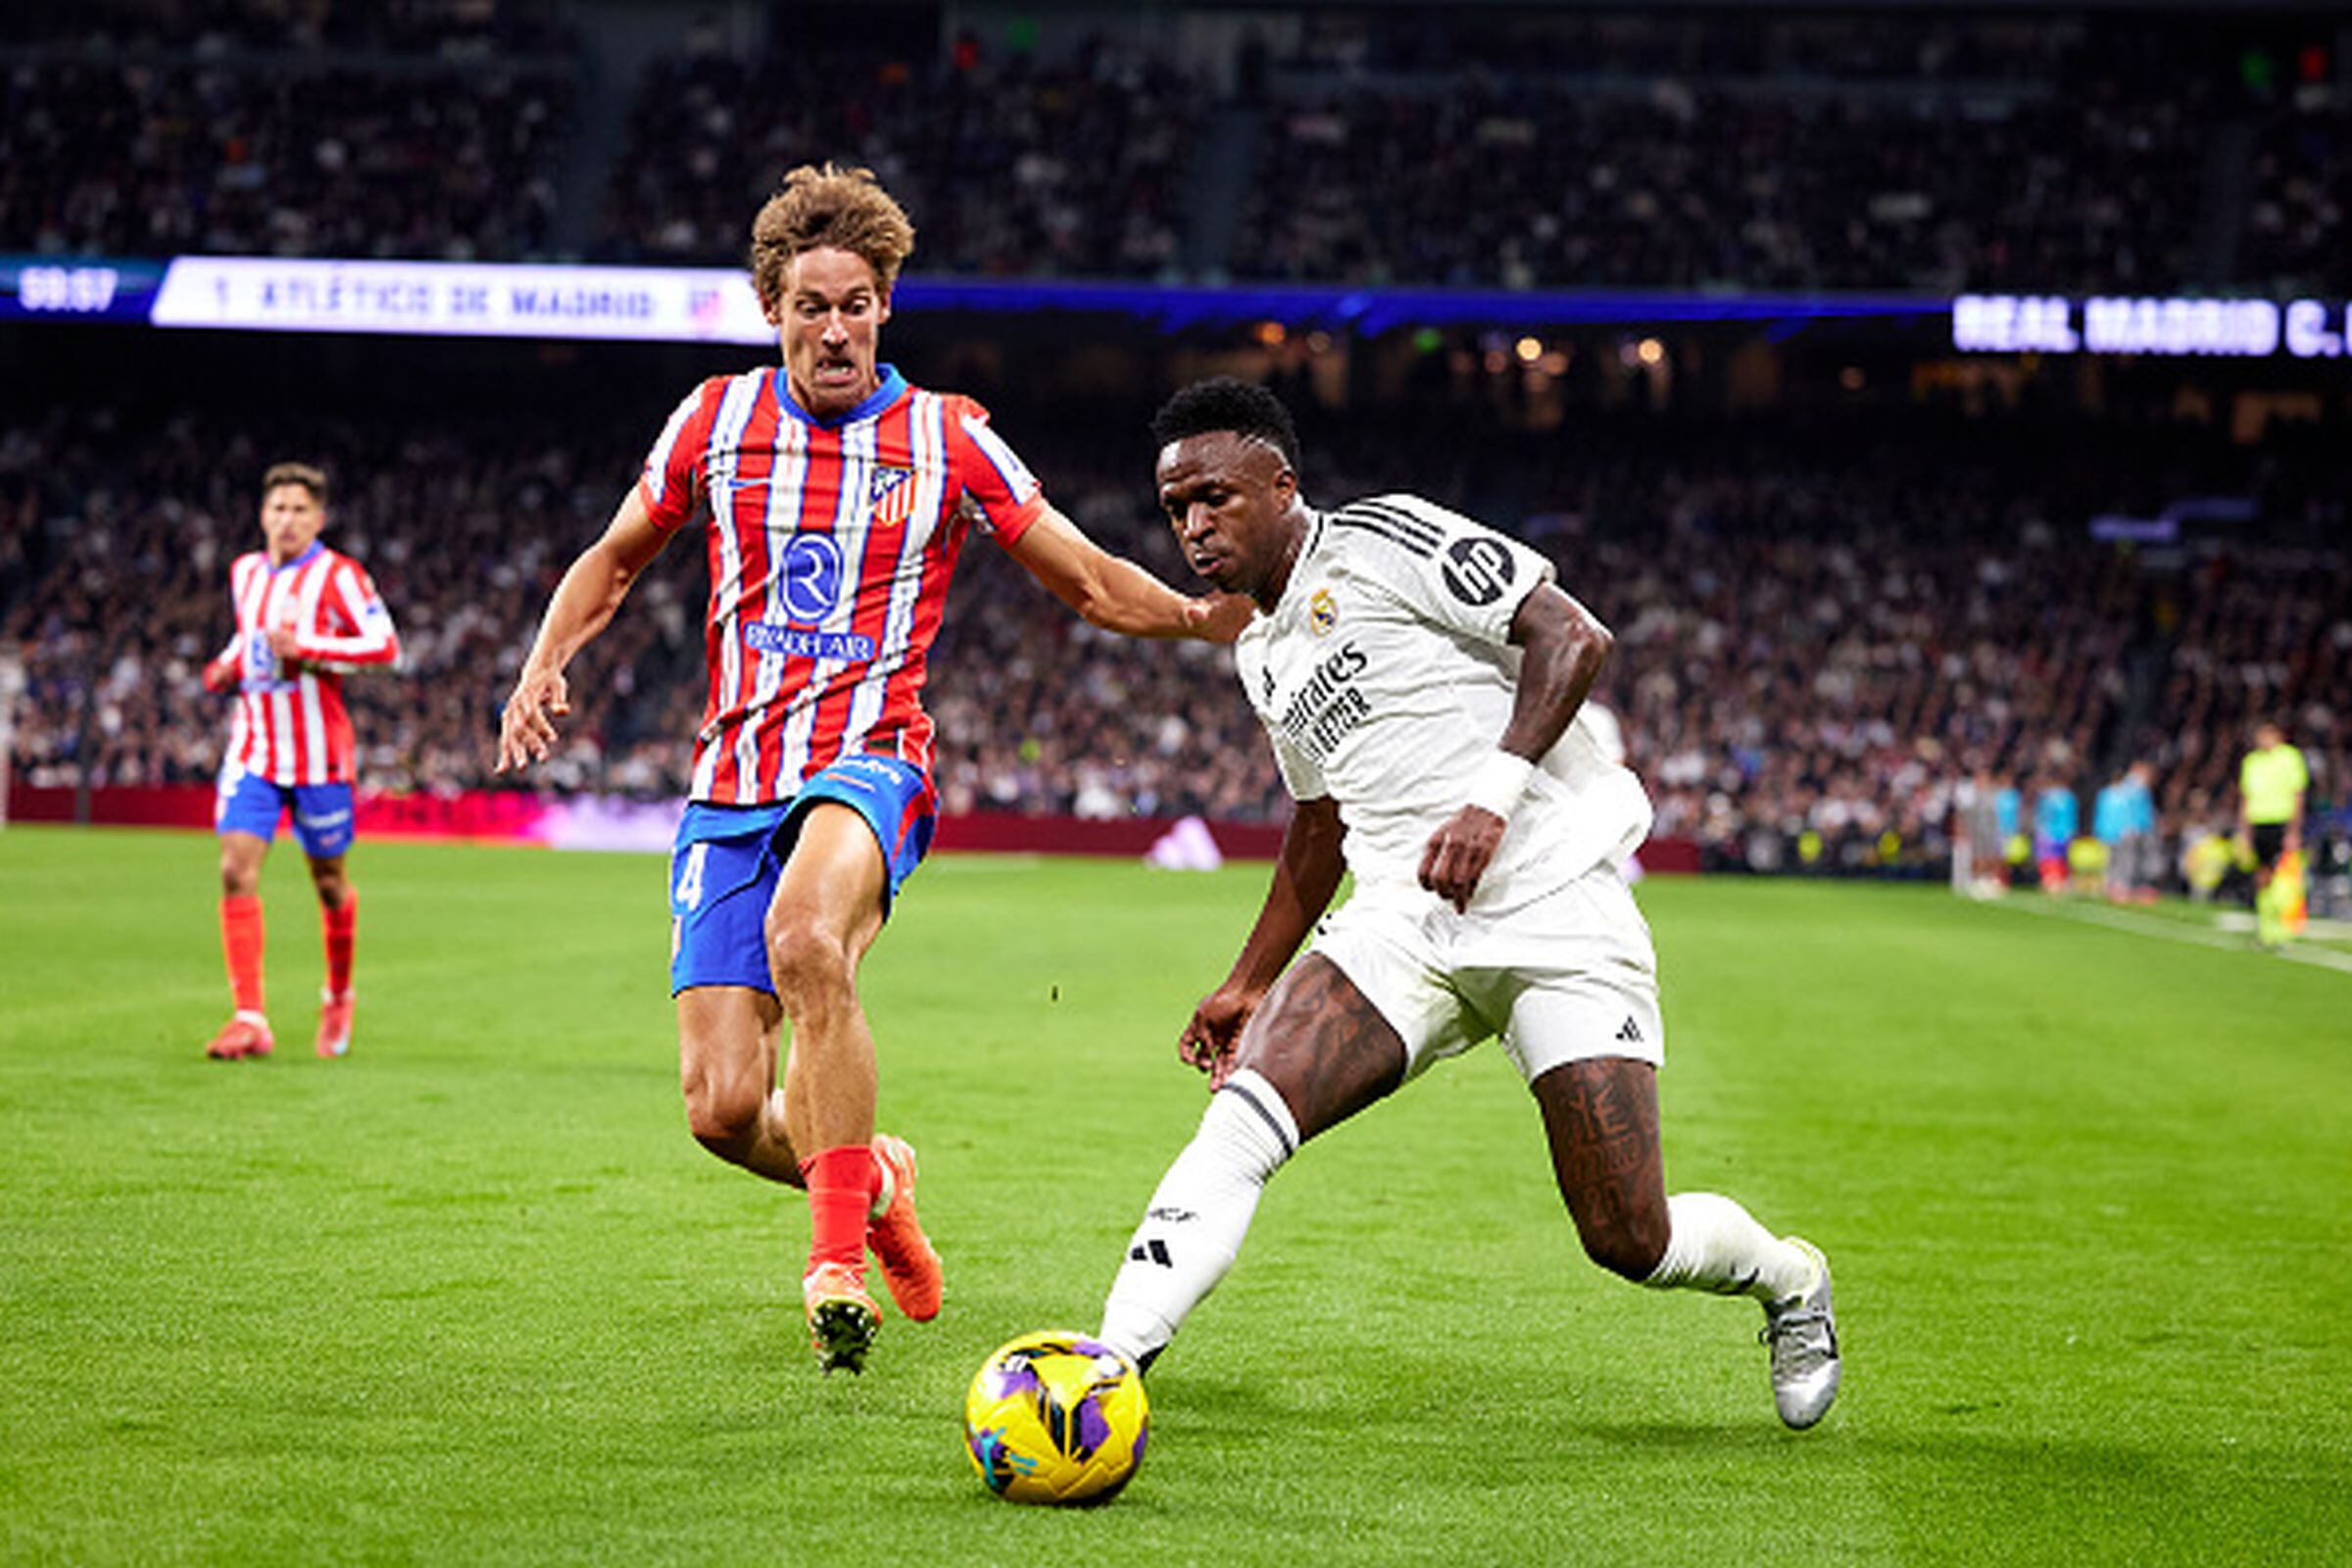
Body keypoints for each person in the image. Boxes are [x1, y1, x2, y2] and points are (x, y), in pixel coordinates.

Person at [494, 165, 1243, 1375]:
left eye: (854, 304)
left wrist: (1207, 619)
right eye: (809, 307)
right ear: (773, 313)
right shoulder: (712, 424)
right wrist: (541, 665)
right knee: (723, 1110)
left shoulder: (948, 438)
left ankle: (833, 1260)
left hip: (870, 761)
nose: (832, 328)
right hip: (731, 781)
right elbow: (614, 557)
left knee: (808, 941)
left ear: (885, 306)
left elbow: (1089, 579)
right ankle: (876, 1183)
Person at [1095, 378, 1839, 1430]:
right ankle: (1102, 1368)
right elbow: (1320, 824)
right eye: (1176, 509)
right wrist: (1247, 980)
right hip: (1402, 918)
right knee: (1243, 1118)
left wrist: (1490, 802)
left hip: (1551, 896)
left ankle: (1790, 1280)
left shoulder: (1384, 539)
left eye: (1215, 496)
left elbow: (1572, 636)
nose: (1195, 525)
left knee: (1629, 1235)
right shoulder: (1262, 651)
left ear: (1281, 484)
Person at [200, 462, 401, 1061]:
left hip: (320, 759)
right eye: (278, 508)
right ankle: (249, 1018)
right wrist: (225, 666)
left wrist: (310, 649)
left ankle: (338, 994)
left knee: (330, 883)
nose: (286, 519)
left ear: (319, 518)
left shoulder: (340, 575)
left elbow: (384, 645)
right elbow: (248, 640)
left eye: (299, 510)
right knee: (235, 871)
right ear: (263, 515)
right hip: (254, 751)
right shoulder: (244, 574)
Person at [2237, 719, 2309, 950]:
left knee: (2284, 876)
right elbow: (2245, 799)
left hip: (2281, 822)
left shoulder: (2290, 758)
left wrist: (2293, 830)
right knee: (2262, 875)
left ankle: (2282, 929)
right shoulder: (2251, 762)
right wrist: (2244, 833)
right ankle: (2266, 928)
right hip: (2259, 822)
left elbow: (2297, 796)